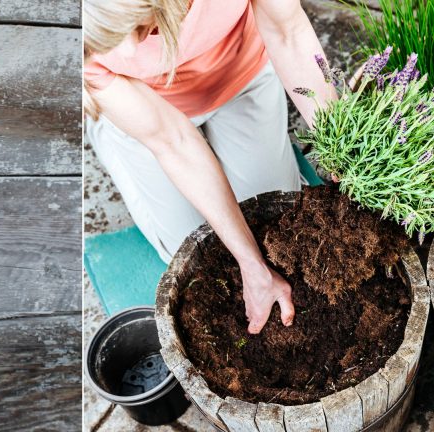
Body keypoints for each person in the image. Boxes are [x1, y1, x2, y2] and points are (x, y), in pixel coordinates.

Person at [84, 0, 336, 334]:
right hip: (149, 112)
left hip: (239, 77)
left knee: (276, 226)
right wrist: (250, 264)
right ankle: (109, 133)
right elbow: (173, 141)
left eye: (134, 24)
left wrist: (341, 147)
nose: (129, 49)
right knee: (199, 252)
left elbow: (289, 32)